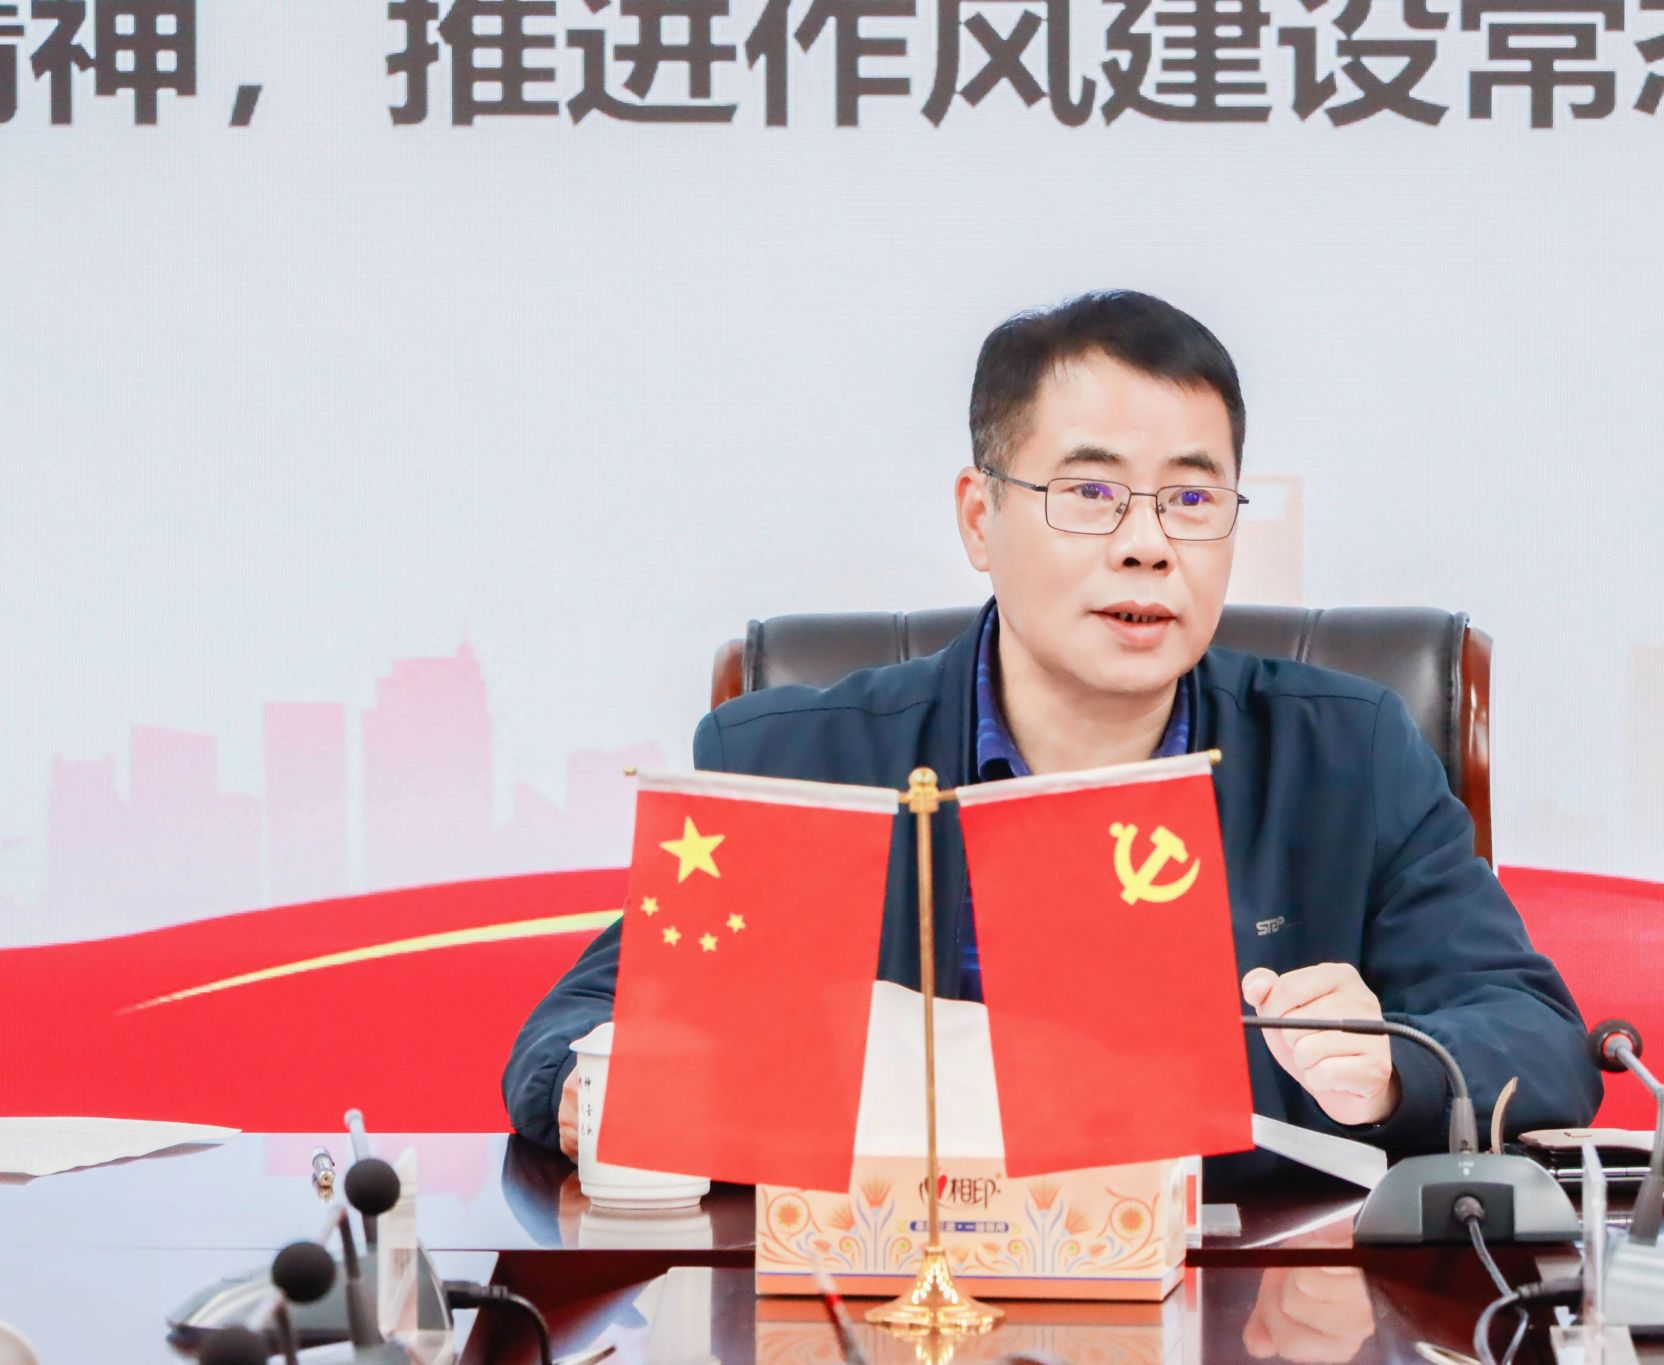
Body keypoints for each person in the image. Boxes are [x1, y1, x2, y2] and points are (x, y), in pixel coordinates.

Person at [505, 290, 1601, 1181]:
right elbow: (576, 1032)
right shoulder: (796, 763)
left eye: (1191, 501)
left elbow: (1536, 1035)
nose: (1146, 545)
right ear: (979, 518)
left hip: (1247, 1305)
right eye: (1090, 492)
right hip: (874, 1306)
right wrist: (601, 1088)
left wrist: (1398, 1071)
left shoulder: (1345, 757)